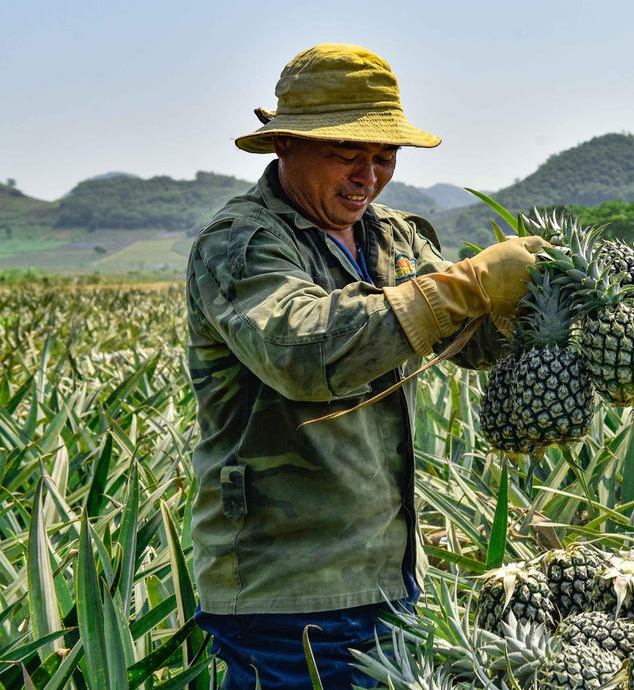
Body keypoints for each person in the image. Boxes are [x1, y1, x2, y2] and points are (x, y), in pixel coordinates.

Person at [185, 43, 544, 689]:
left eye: (384, 156)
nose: (368, 176)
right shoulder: (241, 243)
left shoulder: (392, 236)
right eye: (346, 153)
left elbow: (468, 343)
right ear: (286, 144)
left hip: (390, 577)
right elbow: (305, 352)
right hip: (286, 594)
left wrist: (533, 303)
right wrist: (465, 285)